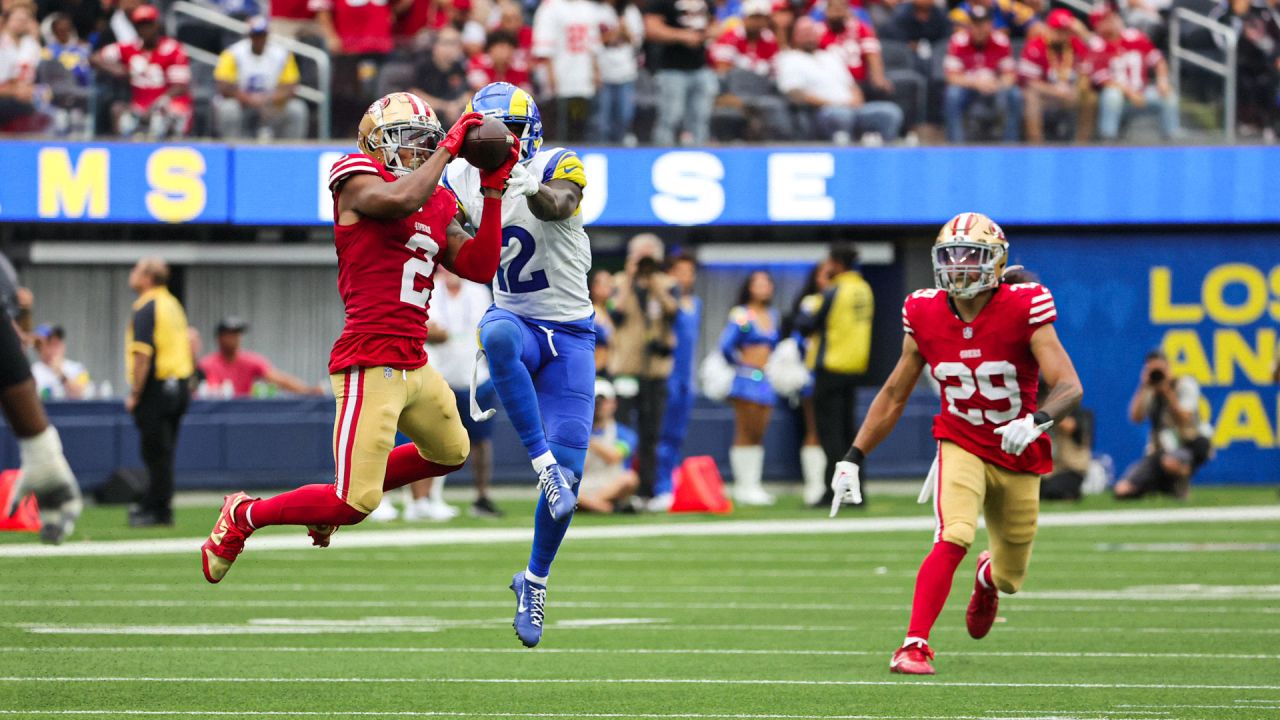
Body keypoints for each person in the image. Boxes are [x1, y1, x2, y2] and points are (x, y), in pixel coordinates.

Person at [199, 94, 514, 583]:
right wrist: (447, 152)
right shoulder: (356, 175)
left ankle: (334, 496)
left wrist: (493, 192)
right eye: (406, 139)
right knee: (357, 502)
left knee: (452, 450)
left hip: (414, 360)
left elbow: (479, 264)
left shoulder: (436, 195)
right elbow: (397, 200)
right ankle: (243, 515)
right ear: (375, 142)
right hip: (370, 359)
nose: (417, 149)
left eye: (423, 141)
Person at [829, 212, 1083, 676]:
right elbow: (893, 393)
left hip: (1017, 449)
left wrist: (1038, 420)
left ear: (997, 261)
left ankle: (986, 577)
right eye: (951, 256)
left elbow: (1069, 385)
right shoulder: (924, 310)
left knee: (1010, 577)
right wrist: (853, 457)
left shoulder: (1025, 304)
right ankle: (914, 645)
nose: (960, 266)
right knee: (954, 533)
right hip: (961, 440)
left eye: (973, 257)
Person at [444, 82, 594, 648]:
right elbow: (456, 243)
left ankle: (533, 580)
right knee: (499, 330)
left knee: (574, 478)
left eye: (495, 134)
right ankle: (540, 465)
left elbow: (557, 204)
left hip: (571, 337)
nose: (487, 143)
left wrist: (524, 183)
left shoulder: (557, 164)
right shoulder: (460, 179)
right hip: (519, 322)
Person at [794, 243, 873, 506]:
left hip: (830, 366)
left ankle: (834, 492)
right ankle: (857, 492)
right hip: (855, 367)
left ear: (837, 264)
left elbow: (807, 325)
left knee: (830, 435)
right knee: (850, 433)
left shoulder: (835, 289)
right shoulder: (864, 289)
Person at [423, 264, 503, 518]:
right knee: (433, 439)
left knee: (480, 440)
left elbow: (486, 330)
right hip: (439, 375)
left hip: (476, 375)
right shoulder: (430, 289)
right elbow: (425, 328)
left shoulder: (479, 291)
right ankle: (429, 498)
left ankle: (482, 497)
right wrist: (433, 333)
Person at [125, 257, 194, 527]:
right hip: (179, 384)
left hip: (157, 386)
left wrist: (135, 393)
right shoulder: (173, 303)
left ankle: (157, 509)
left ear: (147, 278)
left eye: (136, 269)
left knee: (155, 452)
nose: (132, 274)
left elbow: (142, 355)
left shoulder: (147, 305)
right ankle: (156, 503)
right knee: (164, 452)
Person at [609, 236, 678, 501]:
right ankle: (622, 490)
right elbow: (616, 314)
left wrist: (654, 285)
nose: (644, 263)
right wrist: (629, 278)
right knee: (623, 432)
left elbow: (673, 314)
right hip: (626, 367)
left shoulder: (667, 284)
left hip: (655, 370)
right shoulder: (619, 283)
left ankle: (647, 491)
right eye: (640, 257)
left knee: (651, 433)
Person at [775, 17, 903, 143]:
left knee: (890, 113)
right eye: (804, 33)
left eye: (811, 32)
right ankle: (845, 158)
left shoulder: (830, 56)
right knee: (841, 116)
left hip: (852, 108)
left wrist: (856, 101)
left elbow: (852, 85)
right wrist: (832, 103)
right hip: (822, 111)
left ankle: (882, 158)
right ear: (794, 36)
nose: (809, 36)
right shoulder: (788, 58)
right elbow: (794, 94)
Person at [1113, 350, 1211, 500]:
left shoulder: (1184, 385)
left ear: (1168, 368)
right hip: (1159, 451)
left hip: (1188, 444)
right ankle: (1161, 486)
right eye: (1152, 370)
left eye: (1160, 370)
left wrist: (1167, 392)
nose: (1157, 374)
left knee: (1171, 462)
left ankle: (1179, 481)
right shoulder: (1149, 389)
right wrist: (1143, 386)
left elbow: (1184, 418)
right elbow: (1136, 417)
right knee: (1122, 489)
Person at [719, 270, 780, 506]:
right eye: (758, 283)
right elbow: (726, 345)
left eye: (767, 283)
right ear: (749, 287)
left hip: (766, 378)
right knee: (745, 429)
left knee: (759, 431)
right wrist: (740, 363)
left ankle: (754, 484)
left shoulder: (773, 315)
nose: (763, 288)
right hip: (746, 377)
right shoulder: (742, 315)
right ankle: (743, 485)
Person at [91, 4, 192, 138]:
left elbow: (180, 86)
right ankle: (124, 151)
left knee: (161, 117)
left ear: (156, 25)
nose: (145, 29)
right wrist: (118, 69)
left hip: (167, 104)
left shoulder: (173, 49)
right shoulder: (131, 48)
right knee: (118, 111)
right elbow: (95, 58)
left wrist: (157, 104)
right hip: (139, 106)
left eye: (148, 24)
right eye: (140, 25)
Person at [1087, 4, 1177, 141]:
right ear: (1098, 25)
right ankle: (1108, 139)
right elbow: (1104, 79)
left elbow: (1159, 61)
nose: (1113, 20)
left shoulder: (1134, 36)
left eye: (1113, 16)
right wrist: (1130, 93)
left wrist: (1162, 81)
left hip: (1142, 91)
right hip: (1118, 97)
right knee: (1112, 95)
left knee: (1168, 96)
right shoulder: (1096, 44)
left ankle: (1172, 141)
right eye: (1106, 19)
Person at [653, 252, 700, 510]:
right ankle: (659, 486)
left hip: (686, 377)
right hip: (667, 374)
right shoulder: (664, 302)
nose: (685, 277)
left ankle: (669, 480)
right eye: (680, 271)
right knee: (662, 433)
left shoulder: (697, 303)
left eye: (689, 272)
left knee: (677, 434)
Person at [213, 16, 309, 140]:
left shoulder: (281, 54)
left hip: (271, 103)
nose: (259, 40)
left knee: (296, 109)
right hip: (242, 103)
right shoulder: (233, 53)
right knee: (228, 109)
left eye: (262, 35)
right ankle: (231, 147)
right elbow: (223, 85)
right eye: (255, 35)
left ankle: (292, 152)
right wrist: (250, 100)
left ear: (267, 35)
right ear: (249, 36)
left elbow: (291, 86)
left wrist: (268, 99)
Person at [788, 260, 835, 506]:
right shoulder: (812, 303)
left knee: (835, 432)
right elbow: (799, 336)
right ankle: (815, 485)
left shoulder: (844, 298)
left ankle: (833, 485)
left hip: (837, 372)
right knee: (814, 429)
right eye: (825, 275)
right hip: (813, 373)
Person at [943, 4, 1021, 143]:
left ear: (990, 24)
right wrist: (975, 83)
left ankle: (1010, 144)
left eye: (983, 24)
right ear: (969, 25)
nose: (979, 29)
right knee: (952, 94)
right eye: (975, 24)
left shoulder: (1001, 40)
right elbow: (951, 76)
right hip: (969, 87)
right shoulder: (958, 40)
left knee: (1014, 94)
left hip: (995, 86)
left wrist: (997, 83)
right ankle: (956, 144)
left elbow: (1010, 75)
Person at [643, 0, 717, 145]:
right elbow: (650, 28)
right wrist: (682, 35)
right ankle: (662, 151)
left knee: (701, 117)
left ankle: (699, 150)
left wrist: (708, 33)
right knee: (670, 117)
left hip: (701, 68)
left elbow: (715, 22)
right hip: (671, 69)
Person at [198, 316, 325, 397]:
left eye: (237, 335)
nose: (235, 339)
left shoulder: (250, 361)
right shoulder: (206, 364)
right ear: (219, 338)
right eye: (230, 335)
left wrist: (308, 391)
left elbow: (279, 379)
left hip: (242, 414)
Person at [1018, 8, 1092, 142]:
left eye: (1065, 31)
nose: (1061, 35)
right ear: (1048, 29)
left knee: (1089, 96)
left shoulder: (1077, 45)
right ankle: (1036, 144)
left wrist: (1078, 89)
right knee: (1031, 98)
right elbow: (1030, 83)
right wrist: (1055, 91)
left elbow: (1085, 74)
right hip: (1045, 96)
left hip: (1069, 94)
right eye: (1057, 30)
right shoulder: (1035, 46)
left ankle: (1082, 144)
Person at [531, 0, 600, 142]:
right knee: (558, 124)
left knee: (579, 121)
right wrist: (550, 75)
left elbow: (593, 44)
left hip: (582, 76)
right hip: (560, 75)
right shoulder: (550, 7)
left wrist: (595, 70)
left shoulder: (588, 8)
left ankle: (579, 150)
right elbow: (544, 47)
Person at [576, 378, 640, 513]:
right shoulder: (577, 431)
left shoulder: (624, 434)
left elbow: (615, 456)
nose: (599, 406)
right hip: (584, 483)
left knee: (630, 479)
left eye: (602, 401)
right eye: (595, 402)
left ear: (613, 403)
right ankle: (604, 507)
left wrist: (588, 440)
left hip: (610, 484)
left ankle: (593, 504)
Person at [594, 0, 642, 144]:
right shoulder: (597, 11)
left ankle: (620, 146)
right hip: (604, 71)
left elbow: (637, 41)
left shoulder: (631, 11)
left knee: (624, 115)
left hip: (626, 72)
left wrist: (624, 29)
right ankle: (602, 147)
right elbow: (593, 41)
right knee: (602, 119)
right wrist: (614, 32)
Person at [0, 2, 44, 132]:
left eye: (26, 20)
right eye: (18, 19)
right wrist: (15, 91)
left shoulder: (31, 45)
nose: (22, 23)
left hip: (24, 96)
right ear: (7, 21)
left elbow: (32, 77)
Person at [30, 324, 89, 400]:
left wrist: (60, 374)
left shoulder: (78, 368)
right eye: (50, 343)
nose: (56, 348)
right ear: (39, 347)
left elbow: (80, 392)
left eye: (58, 342)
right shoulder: (32, 372)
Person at [590, 269, 615, 375]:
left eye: (610, 283)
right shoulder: (590, 312)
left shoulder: (610, 311)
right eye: (605, 283)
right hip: (596, 369)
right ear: (594, 287)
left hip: (611, 369)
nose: (609, 287)